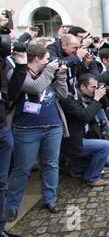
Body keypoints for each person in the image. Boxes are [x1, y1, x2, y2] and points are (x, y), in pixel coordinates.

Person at [6, 38, 69, 221]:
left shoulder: (46, 72)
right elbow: (35, 87)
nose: (49, 62)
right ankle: (11, 206)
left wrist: (62, 76)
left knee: (51, 164)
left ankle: (50, 199)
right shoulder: (17, 73)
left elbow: (62, 94)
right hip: (27, 129)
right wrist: (50, 71)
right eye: (46, 58)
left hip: (53, 126)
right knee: (22, 169)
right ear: (36, 58)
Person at [60, 74, 109, 187]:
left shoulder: (87, 96)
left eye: (96, 87)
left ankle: (77, 167)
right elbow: (86, 116)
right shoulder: (69, 99)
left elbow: (103, 106)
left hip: (85, 137)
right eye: (92, 87)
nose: (95, 90)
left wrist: (99, 96)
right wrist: (96, 98)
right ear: (82, 87)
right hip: (73, 141)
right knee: (106, 146)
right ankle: (92, 178)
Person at [0, 50, 28, 237]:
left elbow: (10, 95)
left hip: (2, 128)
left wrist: (20, 66)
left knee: (2, 182)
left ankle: (0, 230)